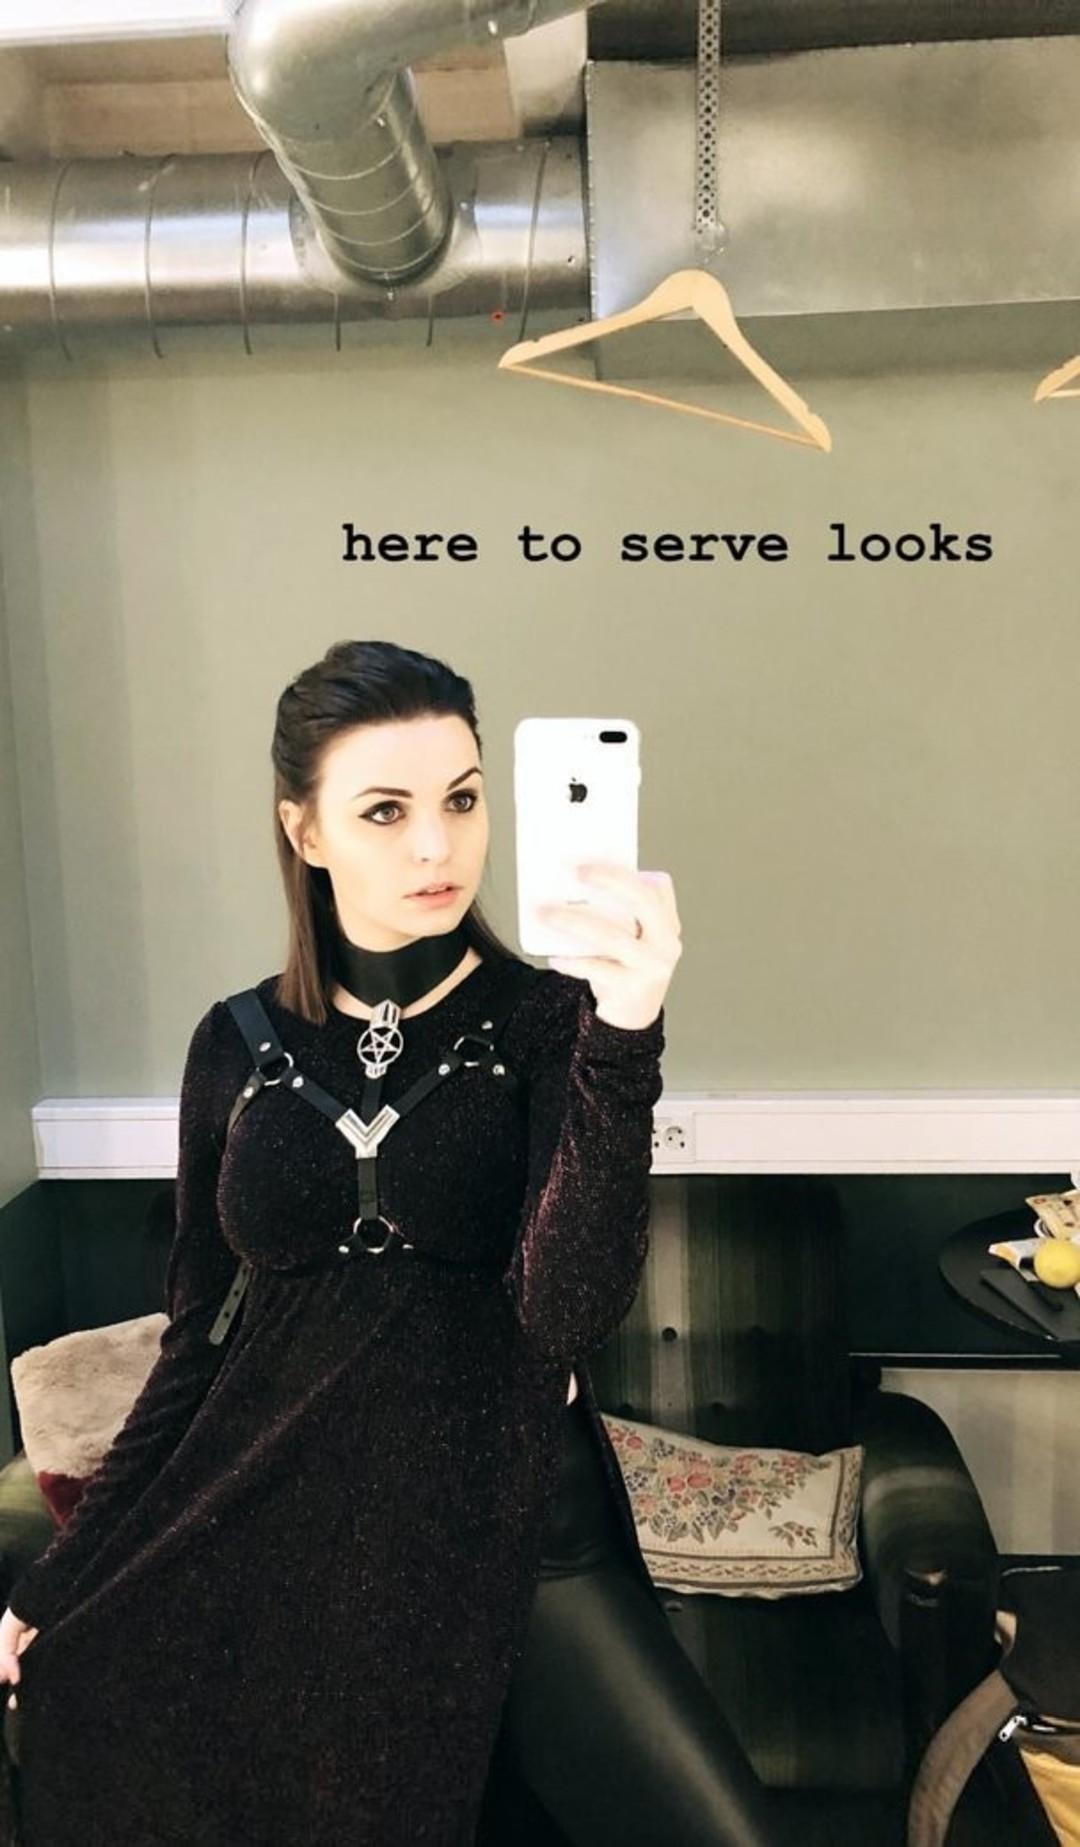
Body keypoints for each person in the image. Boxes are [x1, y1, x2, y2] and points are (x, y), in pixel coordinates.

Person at [0, 639, 779, 1845]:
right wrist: (60, 1576)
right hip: (281, 1502)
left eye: (462, 799)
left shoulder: (558, 1019)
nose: (437, 845)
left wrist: (627, 1030)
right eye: (386, 809)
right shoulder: (233, 1040)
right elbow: (198, 1337)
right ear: (304, 830)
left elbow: (564, 1316)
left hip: (503, 1513)